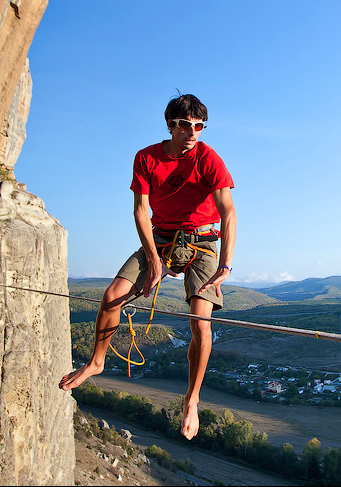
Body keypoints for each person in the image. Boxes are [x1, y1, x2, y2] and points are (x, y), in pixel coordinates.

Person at [59, 94, 236, 441]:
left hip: (202, 242)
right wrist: (154, 259)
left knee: (201, 324)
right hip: (161, 239)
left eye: (199, 126)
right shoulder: (146, 158)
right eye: (186, 126)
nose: (193, 133)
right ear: (170, 125)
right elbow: (141, 211)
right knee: (113, 295)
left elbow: (228, 210)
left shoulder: (208, 158)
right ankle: (97, 361)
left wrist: (226, 263)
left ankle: (191, 399)